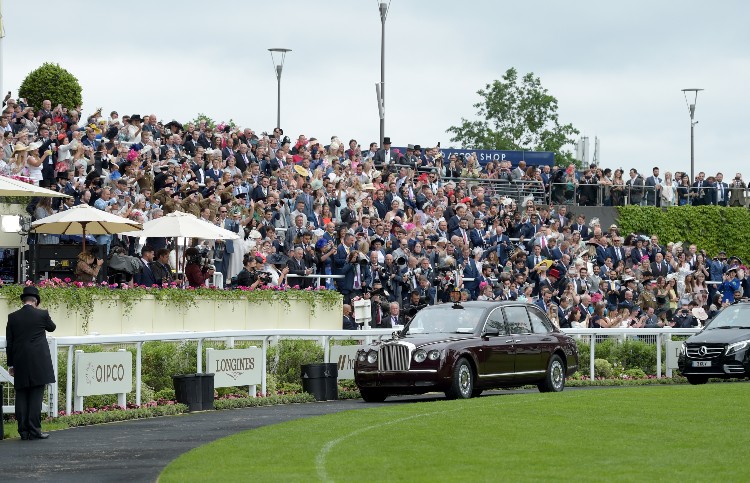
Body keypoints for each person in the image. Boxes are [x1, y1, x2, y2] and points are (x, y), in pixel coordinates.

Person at [5, 286, 56, 440]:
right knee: (35, 396)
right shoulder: (42, 314)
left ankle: (23, 431)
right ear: (36, 301)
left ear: (23, 301)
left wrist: (11, 364)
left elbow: (10, 343)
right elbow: (52, 328)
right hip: (38, 361)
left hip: (20, 360)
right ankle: (35, 430)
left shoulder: (13, 317)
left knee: (21, 395)